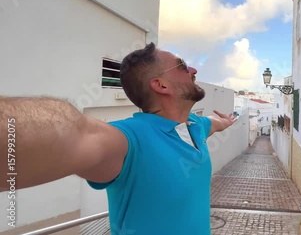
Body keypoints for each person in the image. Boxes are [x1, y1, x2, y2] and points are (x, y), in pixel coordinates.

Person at [0, 42, 237, 234]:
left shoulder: (197, 125)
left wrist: (227, 121)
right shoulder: (128, 140)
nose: (193, 70)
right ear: (160, 84)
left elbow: (216, 125)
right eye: (182, 66)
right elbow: (75, 135)